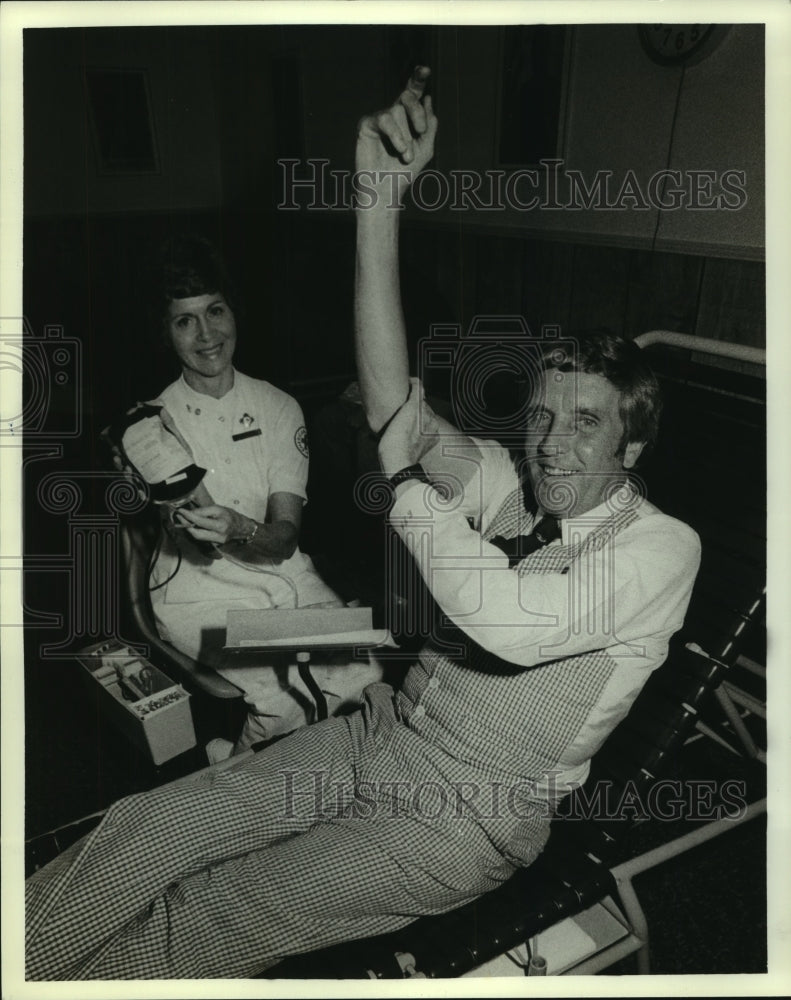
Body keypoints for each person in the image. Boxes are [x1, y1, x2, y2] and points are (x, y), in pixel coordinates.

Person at [25, 69, 700, 981]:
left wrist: (409, 487)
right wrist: (376, 200)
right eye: (540, 414)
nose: (550, 442)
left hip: (465, 814)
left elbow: (509, 619)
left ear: (633, 440)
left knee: (213, 909)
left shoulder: (661, 547)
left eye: (584, 422)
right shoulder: (512, 489)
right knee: (155, 823)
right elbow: (393, 407)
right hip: (378, 730)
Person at [118, 235, 383, 753]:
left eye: (215, 310)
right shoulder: (150, 426)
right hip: (198, 589)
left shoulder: (279, 407)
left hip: (283, 571)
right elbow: (184, 527)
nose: (205, 334)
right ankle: (239, 779)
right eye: (184, 320)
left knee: (365, 673)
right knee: (287, 697)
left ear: (235, 313)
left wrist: (240, 527)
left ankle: (245, 761)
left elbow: (284, 539)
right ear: (166, 334)